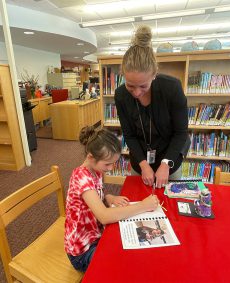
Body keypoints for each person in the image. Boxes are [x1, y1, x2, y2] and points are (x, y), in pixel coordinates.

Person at [64, 125, 159, 272]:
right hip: (82, 252)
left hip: (96, 236)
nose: (111, 168)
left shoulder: (96, 170)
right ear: (90, 157)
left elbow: (94, 198)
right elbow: (104, 216)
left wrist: (109, 197)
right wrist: (143, 205)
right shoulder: (81, 177)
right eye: (107, 164)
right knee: (124, 265)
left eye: (114, 163)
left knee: (135, 248)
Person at [115, 25, 189, 189]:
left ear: (154, 75)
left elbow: (181, 132)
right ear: (123, 76)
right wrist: (143, 164)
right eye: (130, 85)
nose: (136, 93)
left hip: (170, 158)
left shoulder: (172, 88)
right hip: (140, 160)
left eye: (143, 86)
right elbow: (129, 134)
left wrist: (165, 163)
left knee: (171, 205)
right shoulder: (120, 95)